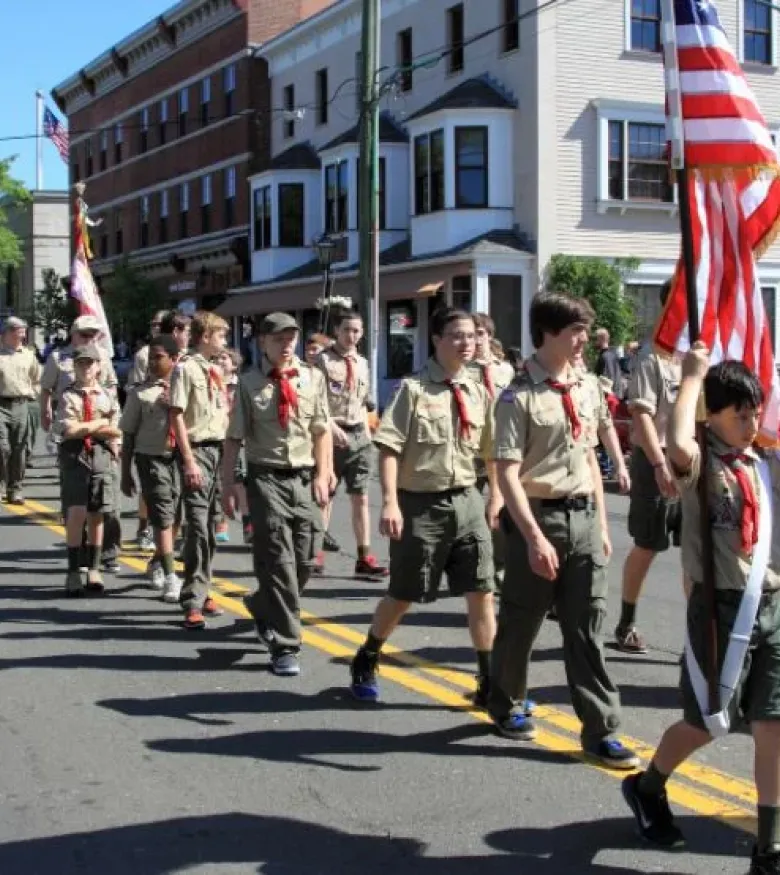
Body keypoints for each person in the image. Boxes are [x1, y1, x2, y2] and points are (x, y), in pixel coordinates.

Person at [622, 345, 780, 874]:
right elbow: (676, 441)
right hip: (721, 611)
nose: (751, 421)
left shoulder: (762, 461)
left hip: (771, 607)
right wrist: (691, 376)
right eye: (739, 412)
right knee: (708, 722)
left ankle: (769, 847)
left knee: (772, 724)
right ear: (712, 414)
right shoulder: (701, 463)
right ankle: (648, 787)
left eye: (755, 410)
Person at [488, 292, 638, 769]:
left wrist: (600, 524)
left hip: (583, 520)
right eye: (575, 331)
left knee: (586, 628)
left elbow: (589, 454)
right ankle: (505, 700)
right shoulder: (518, 395)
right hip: (539, 516)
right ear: (549, 333)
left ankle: (601, 730)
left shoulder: (587, 386)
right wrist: (531, 537)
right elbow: (507, 472)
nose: (583, 340)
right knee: (521, 625)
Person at [349, 307, 500, 704]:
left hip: (467, 501)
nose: (465, 343)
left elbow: (489, 453)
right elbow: (389, 448)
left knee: (482, 590)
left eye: (470, 336)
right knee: (404, 592)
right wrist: (391, 504)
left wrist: (496, 495)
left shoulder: (479, 390)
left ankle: (489, 679)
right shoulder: (412, 390)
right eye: (456, 336)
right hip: (420, 505)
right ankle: (368, 654)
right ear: (436, 339)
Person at [222, 312, 332, 677]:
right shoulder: (249, 383)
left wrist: (325, 472)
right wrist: (229, 487)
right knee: (279, 560)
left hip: (303, 477)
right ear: (263, 343)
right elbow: (234, 439)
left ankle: (261, 603)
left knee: (305, 558)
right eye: (278, 339)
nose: (286, 345)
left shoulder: (312, 377)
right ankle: (285, 643)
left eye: (291, 338)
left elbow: (321, 430)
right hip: (265, 477)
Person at [617, 282, 684, 654]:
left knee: (696, 552)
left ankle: (698, 636)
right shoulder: (651, 356)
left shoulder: (694, 355)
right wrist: (659, 465)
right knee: (648, 544)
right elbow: (640, 414)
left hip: (690, 462)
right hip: (655, 459)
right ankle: (626, 621)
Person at [41, 314, 121, 571]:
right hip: (71, 435)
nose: (89, 338)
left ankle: (106, 555)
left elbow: (112, 396)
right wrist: (46, 414)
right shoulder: (59, 359)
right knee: (74, 503)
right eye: (85, 334)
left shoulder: (103, 358)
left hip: (101, 438)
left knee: (104, 502)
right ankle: (79, 557)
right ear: (73, 334)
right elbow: (47, 390)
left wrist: (114, 434)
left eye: (93, 334)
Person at [315, 310, 387, 579]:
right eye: (347, 329)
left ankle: (364, 554)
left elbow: (366, 400)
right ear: (336, 330)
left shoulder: (362, 362)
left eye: (356, 330)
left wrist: (373, 427)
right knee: (326, 495)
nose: (352, 335)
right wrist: (331, 428)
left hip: (359, 435)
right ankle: (316, 550)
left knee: (361, 495)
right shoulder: (322, 361)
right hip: (331, 433)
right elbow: (316, 402)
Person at [169, 311, 229, 630]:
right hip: (197, 450)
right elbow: (177, 416)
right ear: (205, 336)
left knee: (213, 526)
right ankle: (192, 598)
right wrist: (189, 460)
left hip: (219, 450)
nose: (225, 341)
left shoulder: (214, 371)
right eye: (221, 335)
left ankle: (204, 586)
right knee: (197, 527)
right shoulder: (185, 369)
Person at [119, 334, 183, 603]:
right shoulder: (140, 392)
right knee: (163, 516)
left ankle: (157, 560)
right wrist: (125, 473)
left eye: (159, 358)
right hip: (151, 458)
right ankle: (170, 575)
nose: (153, 363)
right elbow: (129, 435)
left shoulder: (184, 388)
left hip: (181, 458)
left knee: (178, 517)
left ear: (174, 359)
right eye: (151, 358)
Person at [55, 343, 121, 597]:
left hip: (101, 454)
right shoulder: (68, 395)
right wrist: (100, 423)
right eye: (81, 363)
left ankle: (94, 568)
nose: (85, 368)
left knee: (97, 512)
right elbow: (69, 430)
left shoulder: (106, 395)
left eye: (90, 363)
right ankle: (73, 571)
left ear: (98, 367)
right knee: (76, 511)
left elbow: (116, 429)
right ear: (75, 366)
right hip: (74, 455)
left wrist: (91, 426)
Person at [468, 313, 516, 593]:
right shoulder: (462, 369)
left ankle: (496, 568)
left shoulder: (505, 371)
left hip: (500, 449)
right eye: (471, 334)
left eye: (480, 334)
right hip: (472, 450)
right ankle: (468, 563)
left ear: (489, 336)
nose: (475, 340)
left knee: (500, 512)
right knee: (468, 513)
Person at [127, 310, 169, 551]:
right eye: (152, 324)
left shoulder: (182, 355)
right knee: (149, 486)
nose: (155, 328)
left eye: (159, 325)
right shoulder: (144, 354)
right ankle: (144, 527)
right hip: (150, 411)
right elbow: (140, 384)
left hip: (176, 422)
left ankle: (168, 535)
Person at [0, 317, 41, 503]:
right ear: (8, 332)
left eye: (24, 331)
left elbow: (37, 378)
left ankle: (15, 488)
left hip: (21, 405)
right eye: (20, 330)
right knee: (2, 447)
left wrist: (32, 393)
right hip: (1, 405)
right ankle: (1, 484)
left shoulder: (28, 355)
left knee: (19, 448)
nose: (23, 334)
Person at [594, 328, 624, 398]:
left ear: (601, 338)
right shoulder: (611, 354)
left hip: (611, 398)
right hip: (614, 396)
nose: (595, 342)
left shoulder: (606, 356)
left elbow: (607, 380)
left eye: (596, 339)